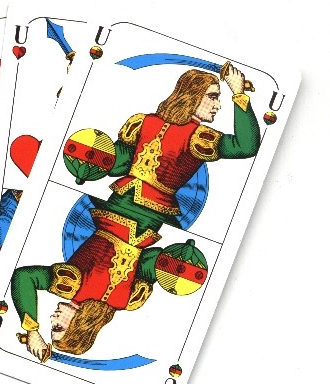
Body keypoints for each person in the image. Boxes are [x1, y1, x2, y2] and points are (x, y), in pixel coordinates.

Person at [13, 64, 260, 361]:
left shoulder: (118, 298)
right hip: (138, 220)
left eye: (218, 97)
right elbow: (246, 146)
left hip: (125, 215)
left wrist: (32, 330)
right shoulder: (83, 288)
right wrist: (238, 93)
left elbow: (119, 162)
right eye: (213, 97)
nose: (52, 318)